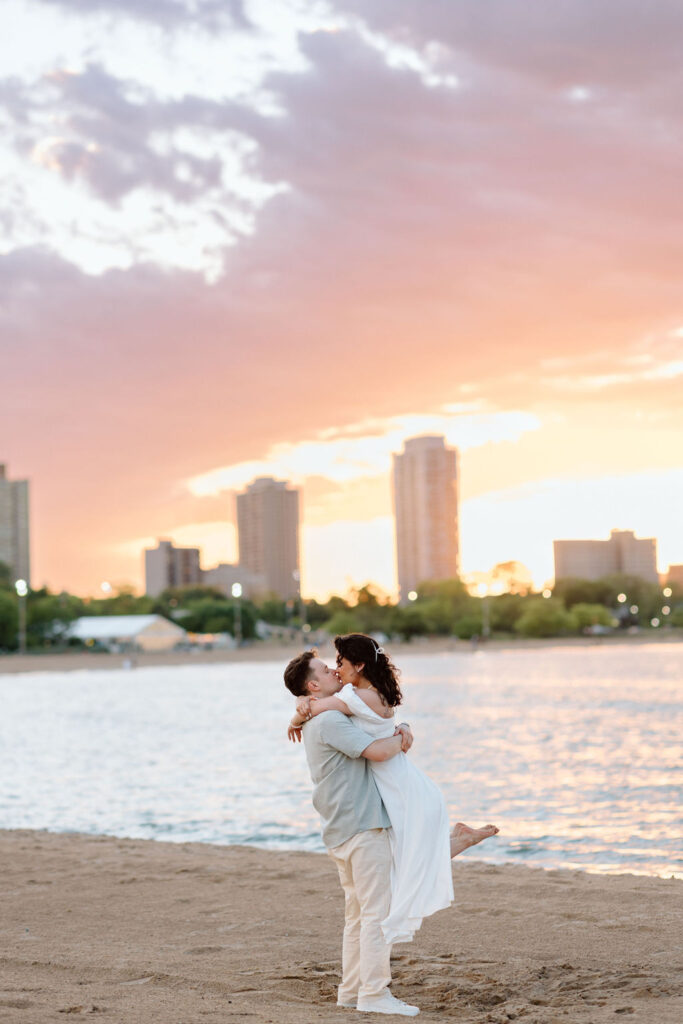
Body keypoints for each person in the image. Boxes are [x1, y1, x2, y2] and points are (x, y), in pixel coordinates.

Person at [284, 649, 420, 1017]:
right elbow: (377, 751)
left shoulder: (318, 715)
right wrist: (403, 736)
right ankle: (374, 994)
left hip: (343, 828)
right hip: (361, 826)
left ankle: (351, 991)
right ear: (313, 685)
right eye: (326, 670)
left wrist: (300, 710)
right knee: (376, 914)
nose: (333, 671)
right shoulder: (328, 721)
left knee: (358, 916)